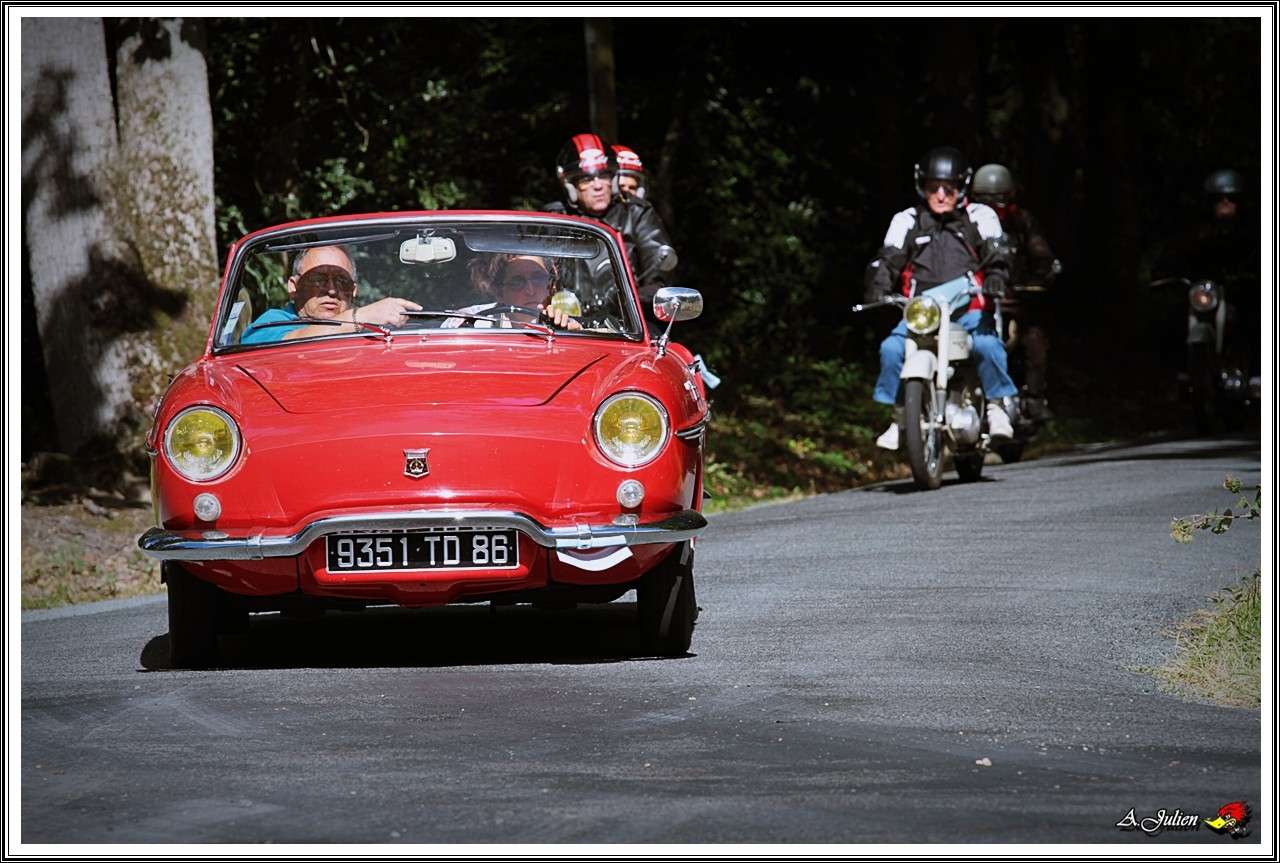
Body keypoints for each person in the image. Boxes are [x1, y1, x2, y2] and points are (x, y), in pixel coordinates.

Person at [863, 146, 1017, 450]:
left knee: (987, 345)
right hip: (923, 313)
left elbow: (998, 252)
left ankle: (997, 407)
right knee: (892, 349)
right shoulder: (907, 220)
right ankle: (898, 417)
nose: (942, 195)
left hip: (969, 307)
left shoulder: (979, 216)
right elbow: (888, 259)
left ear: (962, 188)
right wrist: (878, 286)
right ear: (922, 187)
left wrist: (997, 277)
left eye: (950, 188)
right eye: (934, 188)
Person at [543, 133, 678, 314]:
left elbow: (658, 280)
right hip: (565, 324)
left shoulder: (636, 213)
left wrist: (624, 301)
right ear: (571, 187)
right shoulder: (555, 220)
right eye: (586, 179)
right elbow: (535, 275)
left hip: (629, 322)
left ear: (613, 179)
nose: (598, 186)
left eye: (604, 176)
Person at [970, 163, 1060, 410]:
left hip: (1014, 301)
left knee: (1033, 339)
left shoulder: (1022, 222)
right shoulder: (965, 223)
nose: (992, 208)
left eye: (998, 200)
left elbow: (1041, 255)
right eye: (984, 200)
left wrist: (1037, 280)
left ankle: (1034, 397)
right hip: (974, 302)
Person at [240, 245, 421, 344]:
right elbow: (288, 344)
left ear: (354, 290)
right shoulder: (270, 324)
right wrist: (359, 317)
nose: (332, 290)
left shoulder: (376, 328)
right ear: (293, 286)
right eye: (318, 279)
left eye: (342, 281)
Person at [446, 253, 582, 330]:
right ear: (499, 292)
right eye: (517, 282)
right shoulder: (466, 321)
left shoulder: (565, 324)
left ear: (552, 286)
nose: (530, 290)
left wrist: (572, 337)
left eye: (538, 278)